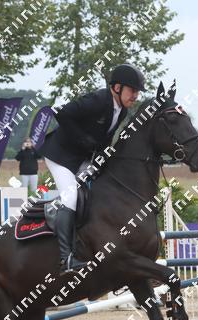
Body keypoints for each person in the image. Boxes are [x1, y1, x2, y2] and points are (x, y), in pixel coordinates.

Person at [39, 63, 145, 272]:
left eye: (137, 92)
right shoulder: (98, 100)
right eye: (133, 90)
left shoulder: (122, 111)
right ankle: (65, 259)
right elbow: (62, 113)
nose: (136, 96)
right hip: (61, 156)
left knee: (102, 190)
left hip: (81, 159)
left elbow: (104, 141)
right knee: (70, 197)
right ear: (117, 88)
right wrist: (83, 139)